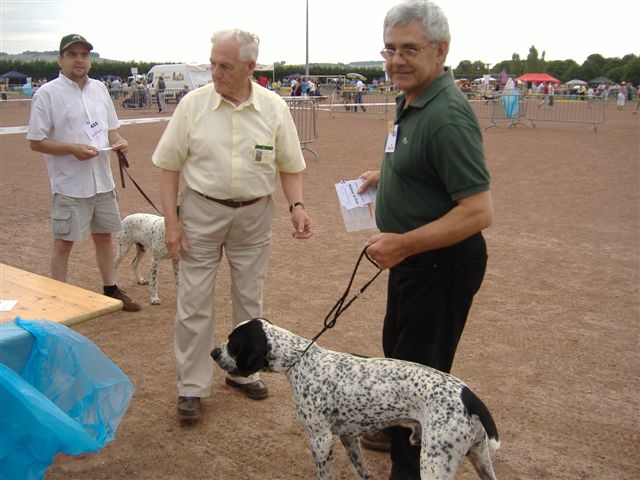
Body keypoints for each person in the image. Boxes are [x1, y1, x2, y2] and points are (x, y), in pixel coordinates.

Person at [356, 2, 494, 478]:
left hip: (440, 265)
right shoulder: (413, 98)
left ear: (441, 50)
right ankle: (397, 431)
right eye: (390, 49)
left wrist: (403, 245)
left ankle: (410, 467)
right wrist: (388, 176)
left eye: (410, 49)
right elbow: (424, 164)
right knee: (400, 359)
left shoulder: (447, 115)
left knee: (418, 381)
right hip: (415, 260)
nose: (396, 60)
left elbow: (478, 211)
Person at [152, 28, 312, 425]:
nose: (215, 72)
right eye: (213, 63)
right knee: (193, 302)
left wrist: (297, 205)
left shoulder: (274, 108)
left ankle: (243, 372)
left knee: (249, 299)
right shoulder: (192, 105)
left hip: (255, 216)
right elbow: (169, 166)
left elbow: (289, 165)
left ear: (250, 66)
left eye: (224, 65)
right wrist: (172, 222)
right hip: (201, 213)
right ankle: (192, 386)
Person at [26, 33, 140, 312]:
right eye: (73, 54)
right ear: (60, 59)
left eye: (84, 55)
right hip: (70, 184)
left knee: (105, 237)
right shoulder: (47, 94)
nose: (79, 60)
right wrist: (71, 148)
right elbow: (36, 141)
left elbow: (112, 131)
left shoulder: (100, 89)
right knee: (64, 243)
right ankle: (58, 299)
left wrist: (119, 143)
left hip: (102, 181)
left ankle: (111, 289)